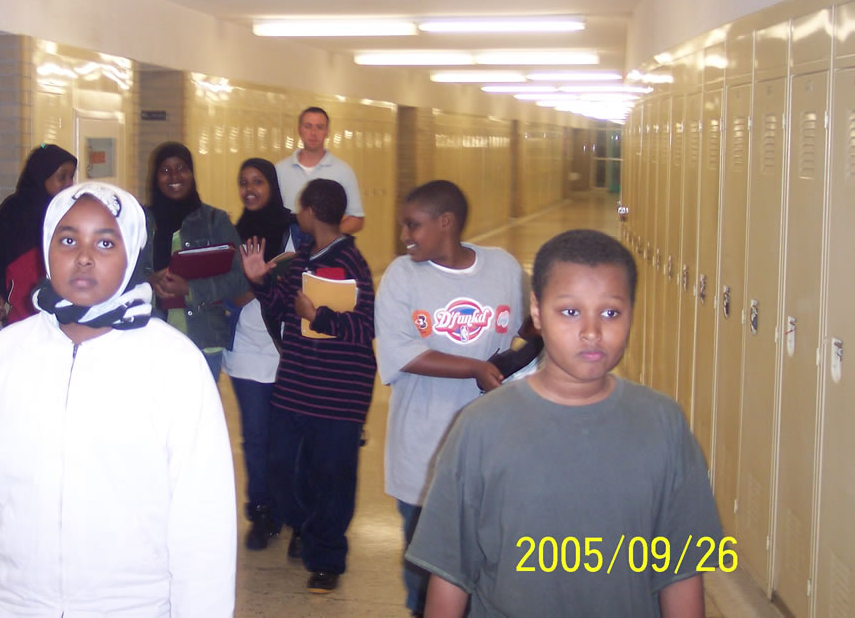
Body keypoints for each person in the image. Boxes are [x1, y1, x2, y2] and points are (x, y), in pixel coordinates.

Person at [0, 182, 237, 617]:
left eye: (105, 242)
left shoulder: (174, 365)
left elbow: (203, 528)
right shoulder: (3, 357)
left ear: (131, 254)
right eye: (68, 240)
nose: (84, 257)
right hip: (17, 605)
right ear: (47, 249)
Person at [406, 229, 722, 618]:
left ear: (632, 313)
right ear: (537, 313)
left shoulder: (663, 424)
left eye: (611, 312)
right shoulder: (481, 427)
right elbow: (450, 574)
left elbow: (682, 573)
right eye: (570, 312)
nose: (592, 332)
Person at [374, 180, 527, 618]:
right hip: (423, 448)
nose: (404, 235)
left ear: (446, 222)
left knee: (488, 560)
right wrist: (475, 368)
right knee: (424, 570)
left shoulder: (502, 268)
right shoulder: (401, 277)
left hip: (492, 444)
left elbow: (530, 328)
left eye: (413, 225)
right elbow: (402, 352)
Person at [239, 178, 376, 595]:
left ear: (311, 212)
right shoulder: (300, 259)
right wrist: (261, 281)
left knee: (333, 477)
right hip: (295, 385)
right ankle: (303, 524)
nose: (297, 215)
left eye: (301, 208)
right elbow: (280, 307)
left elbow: (365, 326)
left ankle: (326, 558)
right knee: (282, 468)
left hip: (339, 394)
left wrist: (319, 317)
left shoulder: (351, 263)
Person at [222, 158, 298, 551]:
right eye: (244, 182)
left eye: (258, 182)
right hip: (247, 349)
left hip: (288, 349)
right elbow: (226, 294)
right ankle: (261, 511)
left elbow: (310, 283)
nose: (250, 189)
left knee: (288, 439)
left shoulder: (295, 230)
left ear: (271, 185)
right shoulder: (232, 235)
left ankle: (293, 512)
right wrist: (255, 283)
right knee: (255, 437)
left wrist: (273, 279)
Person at [143, 142, 248, 381]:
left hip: (203, 340)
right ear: (155, 177)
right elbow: (120, 270)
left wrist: (190, 289)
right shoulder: (142, 220)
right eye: (165, 170)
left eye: (181, 168)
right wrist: (149, 279)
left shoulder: (215, 220)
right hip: (152, 339)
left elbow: (240, 278)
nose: (174, 176)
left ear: (192, 173)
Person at [0, 143, 77, 324]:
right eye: (61, 177)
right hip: (23, 315)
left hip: (64, 314)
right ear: (41, 176)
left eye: (71, 177)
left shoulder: (71, 212)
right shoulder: (13, 210)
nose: (68, 184)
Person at [276, 106, 365, 234]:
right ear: (299, 130)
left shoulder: (343, 171)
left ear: (327, 131)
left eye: (319, 127)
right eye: (308, 126)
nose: (313, 133)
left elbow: (357, 219)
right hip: (288, 244)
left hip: (328, 245)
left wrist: (326, 237)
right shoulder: (280, 169)